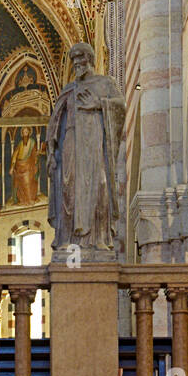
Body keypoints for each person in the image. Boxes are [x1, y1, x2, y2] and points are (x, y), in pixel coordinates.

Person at [47, 42, 126, 257]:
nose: (77, 64)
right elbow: (54, 121)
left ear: (90, 59)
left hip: (94, 144)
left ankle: (98, 240)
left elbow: (120, 106)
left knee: (99, 186)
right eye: (74, 61)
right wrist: (51, 150)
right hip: (71, 143)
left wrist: (99, 104)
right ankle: (67, 240)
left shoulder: (105, 83)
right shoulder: (69, 89)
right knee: (68, 186)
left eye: (81, 59)